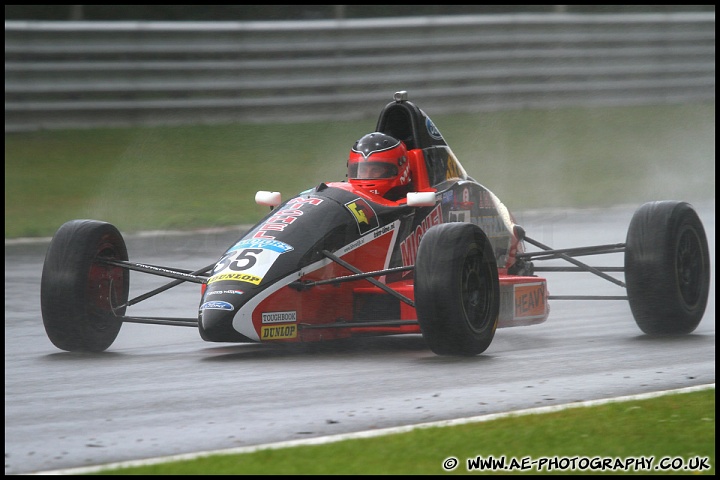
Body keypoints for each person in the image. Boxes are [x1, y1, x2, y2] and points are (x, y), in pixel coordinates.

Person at [347, 132, 412, 200]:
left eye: (375, 170)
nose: (368, 175)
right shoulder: (345, 196)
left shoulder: (418, 203)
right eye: (362, 170)